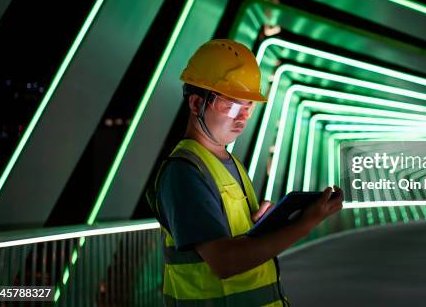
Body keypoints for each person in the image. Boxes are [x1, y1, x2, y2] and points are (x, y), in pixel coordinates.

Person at [146, 39, 343, 306]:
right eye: (232, 106)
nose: (242, 118)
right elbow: (225, 261)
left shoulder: (229, 162)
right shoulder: (184, 172)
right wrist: (305, 223)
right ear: (195, 104)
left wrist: (263, 226)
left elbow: (234, 239)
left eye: (248, 107)